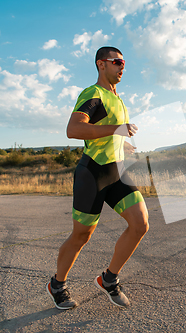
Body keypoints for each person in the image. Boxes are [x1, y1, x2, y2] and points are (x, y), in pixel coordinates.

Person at [46, 46, 149, 310]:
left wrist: (122, 143)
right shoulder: (93, 94)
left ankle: (109, 279)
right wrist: (117, 129)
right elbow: (74, 129)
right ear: (101, 64)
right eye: (117, 62)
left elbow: (106, 134)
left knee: (140, 224)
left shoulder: (119, 100)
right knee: (82, 236)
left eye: (124, 62)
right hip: (92, 173)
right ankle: (57, 284)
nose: (122, 67)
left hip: (116, 172)